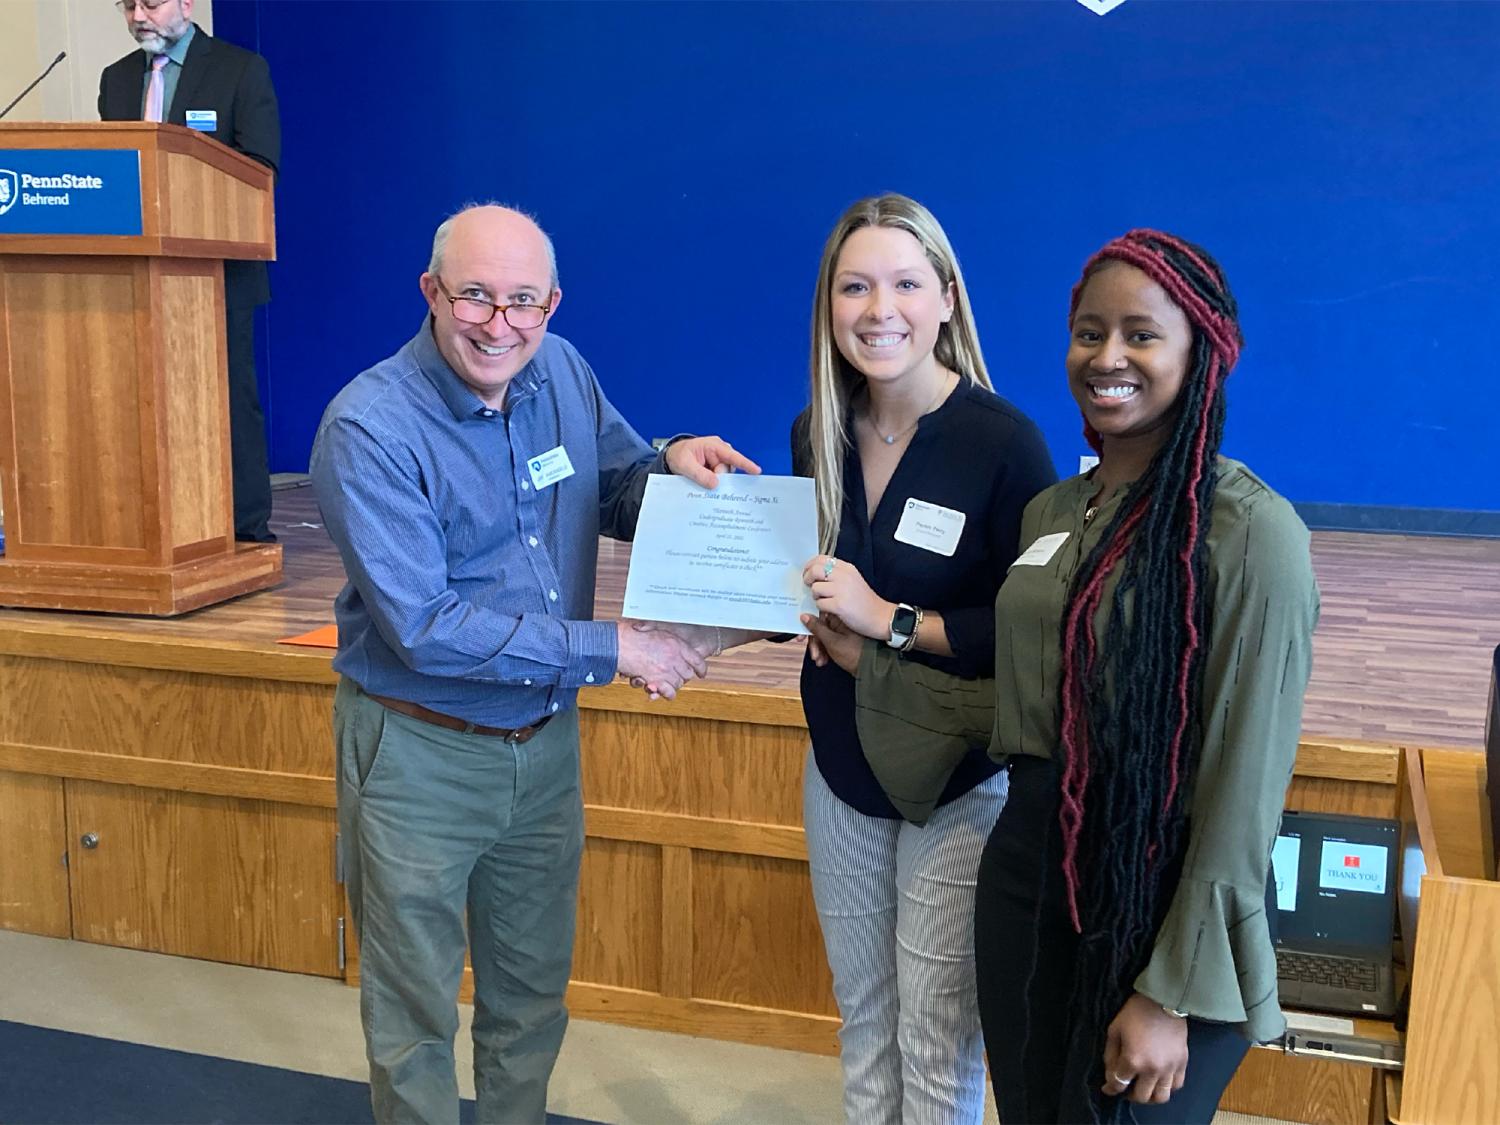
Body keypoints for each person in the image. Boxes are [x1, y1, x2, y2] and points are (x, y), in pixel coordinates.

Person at [828, 229, 1319, 1123]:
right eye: (1089, 333)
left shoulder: (1249, 532)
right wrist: (876, 667)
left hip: (1158, 890)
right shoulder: (1055, 512)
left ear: (1203, 350)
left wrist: (1171, 990)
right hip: (1029, 871)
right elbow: (1027, 707)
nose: (1108, 357)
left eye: (1141, 334)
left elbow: (1244, 783)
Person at [308, 203, 756, 1125]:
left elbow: (619, 484)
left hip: (542, 747)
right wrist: (616, 647)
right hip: (418, 752)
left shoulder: (561, 370)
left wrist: (674, 462)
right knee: (413, 1012)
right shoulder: (368, 427)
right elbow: (425, 627)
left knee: (530, 997)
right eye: (474, 296)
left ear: (551, 304)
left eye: (523, 301)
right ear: (431, 292)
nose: (499, 325)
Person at [789, 193, 1055, 1124]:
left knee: (939, 1043)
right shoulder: (815, 431)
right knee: (865, 1026)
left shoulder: (1005, 443)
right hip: (841, 762)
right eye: (855, 287)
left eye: (905, 284)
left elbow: (1031, 628)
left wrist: (891, 622)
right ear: (829, 304)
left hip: (958, 776)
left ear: (946, 298)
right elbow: (809, 588)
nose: (879, 310)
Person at [99, 0, 281, 542]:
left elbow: (261, 170)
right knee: (148, 401)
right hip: (137, 275)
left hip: (218, 274)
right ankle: (164, 525)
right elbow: (112, 173)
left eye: (151, 3)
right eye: (127, 5)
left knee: (228, 399)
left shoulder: (239, 69)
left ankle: (245, 526)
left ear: (185, 3)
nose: (138, 16)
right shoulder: (116, 79)